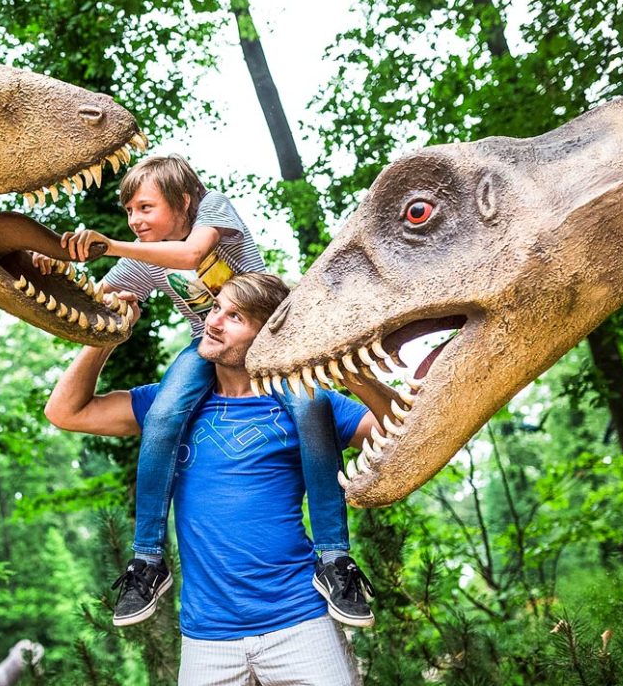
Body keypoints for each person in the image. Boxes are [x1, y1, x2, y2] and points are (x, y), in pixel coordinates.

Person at [37, 155, 374, 628]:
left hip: (276, 343)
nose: (135, 221)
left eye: (146, 208)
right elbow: (92, 304)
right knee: (166, 411)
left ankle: (335, 556)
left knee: (311, 406)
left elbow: (193, 255)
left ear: (185, 200)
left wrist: (112, 245)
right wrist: (46, 267)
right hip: (211, 348)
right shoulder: (144, 256)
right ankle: (149, 557)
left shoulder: (212, 209)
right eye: (129, 211)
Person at [46, 273, 394, 685]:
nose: (213, 322)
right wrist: (107, 335)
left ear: (267, 334)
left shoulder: (307, 404)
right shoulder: (168, 407)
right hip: (206, 638)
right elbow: (65, 412)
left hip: (300, 621)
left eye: (235, 317)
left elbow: (396, 427)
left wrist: (352, 371)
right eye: (216, 309)